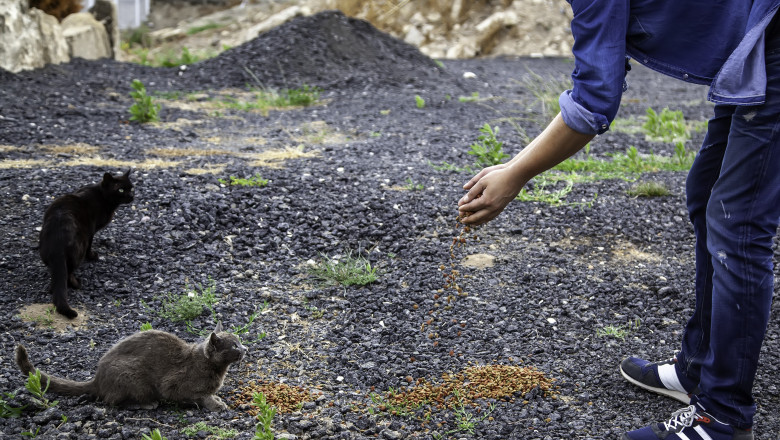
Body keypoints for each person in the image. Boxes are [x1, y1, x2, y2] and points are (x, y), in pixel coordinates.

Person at [457, 2, 780, 439]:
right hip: (755, 44)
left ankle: (722, 416)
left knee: (736, 224)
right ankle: (700, 369)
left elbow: (594, 101)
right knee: (707, 196)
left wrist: (515, 174)